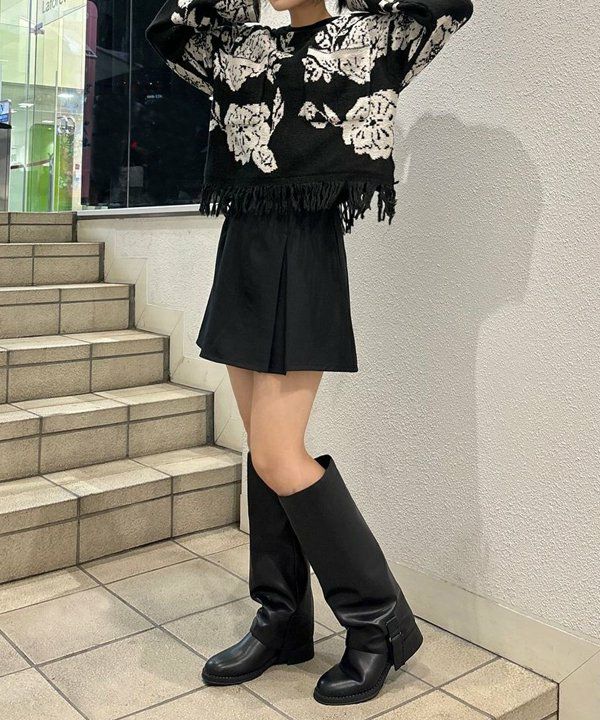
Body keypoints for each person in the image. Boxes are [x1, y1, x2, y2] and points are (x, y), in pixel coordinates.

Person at [146, 0, 473, 705]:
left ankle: (379, 625)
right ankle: (282, 620)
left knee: (278, 454)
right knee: (262, 452)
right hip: (243, 241)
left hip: (304, 244)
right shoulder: (241, 46)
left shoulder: (368, 38)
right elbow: (168, 30)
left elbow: (450, 7)